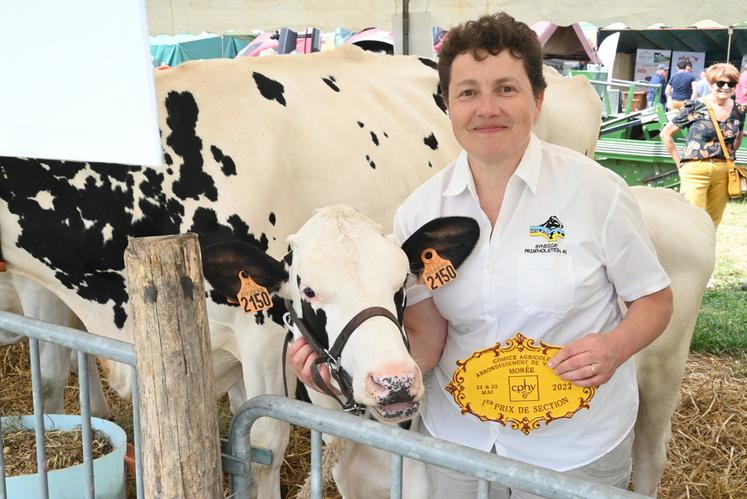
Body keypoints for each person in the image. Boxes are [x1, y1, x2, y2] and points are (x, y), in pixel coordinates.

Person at [290, 13, 674, 498]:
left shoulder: (598, 194)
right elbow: (428, 342)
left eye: (506, 89)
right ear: (446, 105)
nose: (486, 108)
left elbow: (655, 301)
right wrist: (338, 376)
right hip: (459, 446)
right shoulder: (420, 213)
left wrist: (616, 347)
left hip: (572, 447)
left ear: (537, 99)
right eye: (468, 92)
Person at [660, 63, 746, 228]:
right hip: (695, 170)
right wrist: (680, 163)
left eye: (731, 84)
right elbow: (666, 133)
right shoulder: (695, 106)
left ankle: (706, 253)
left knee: (713, 222)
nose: (726, 87)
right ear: (711, 84)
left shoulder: (739, 110)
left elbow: (738, 134)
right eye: (720, 83)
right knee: (690, 220)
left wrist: (730, 153)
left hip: (723, 172)